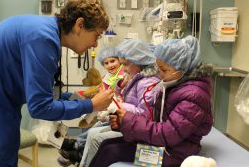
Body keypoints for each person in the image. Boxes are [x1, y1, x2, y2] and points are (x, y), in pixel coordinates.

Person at [0, 0, 114, 167]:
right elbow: (40, 107)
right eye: (96, 35)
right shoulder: (43, 38)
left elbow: (41, 91)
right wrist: (91, 105)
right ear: (80, 25)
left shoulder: (47, 32)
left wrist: (79, 99)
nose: (95, 44)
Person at [90, 36, 213, 167]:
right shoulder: (175, 86)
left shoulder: (193, 95)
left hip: (173, 154)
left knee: (112, 151)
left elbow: (168, 133)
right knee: (106, 144)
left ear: (182, 67)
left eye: (164, 70)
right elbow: (157, 120)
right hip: (163, 144)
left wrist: (127, 119)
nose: (159, 75)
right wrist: (122, 123)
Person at [79, 39, 160, 167]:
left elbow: (146, 115)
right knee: (103, 142)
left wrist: (118, 106)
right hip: (133, 128)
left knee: (100, 142)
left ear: (139, 61)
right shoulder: (136, 78)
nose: (124, 69)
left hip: (143, 136)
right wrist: (121, 86)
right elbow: (126, 98)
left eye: (126, 64)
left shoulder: (147, 83)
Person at [58, 46, 124, 166]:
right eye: (106, 63)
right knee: (93, 127)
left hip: (113, 112)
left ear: (120, 60)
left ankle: (77, 148)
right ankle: (77, 150)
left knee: (95, 130)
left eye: (113, 61)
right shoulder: (107, 76)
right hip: (104, 110)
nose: (110, 65)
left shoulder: (122, 76)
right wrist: (81, 96)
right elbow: (97, 89)